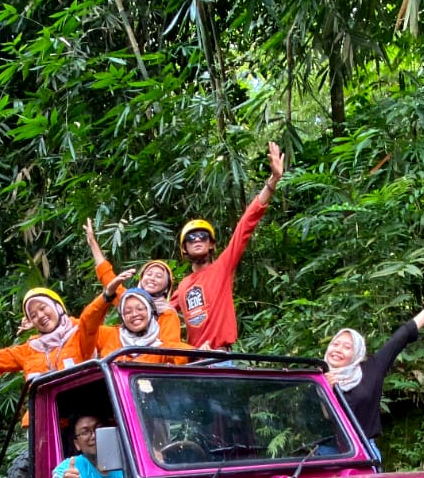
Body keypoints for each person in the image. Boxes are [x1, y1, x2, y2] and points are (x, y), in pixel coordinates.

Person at [173, 141, 286, 351]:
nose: (197, 240)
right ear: (184, 249)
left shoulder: (222, 268)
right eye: (191, 238)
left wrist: (273, 181)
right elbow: (154, 310)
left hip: (221, 357)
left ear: (212, 244)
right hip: (194, 361)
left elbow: (245, 226)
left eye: (202, 236)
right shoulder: (182, 287)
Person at [325, 289, 424, 441]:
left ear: (357, 353)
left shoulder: (370, 370)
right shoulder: (315, 376)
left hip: (363, 451)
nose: (338, 350)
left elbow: (399, 339)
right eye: (336, 344)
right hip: (327, 453)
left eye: (347, 347)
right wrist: (327, 391)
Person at [84, 219, 184, 345]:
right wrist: (93, 242)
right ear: (141, 279)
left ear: (166, 286)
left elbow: (171, 348)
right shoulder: (129, 300)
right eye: (149, 274)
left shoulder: (167, 313)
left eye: (159, 276)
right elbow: (108, 278)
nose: (152, 278)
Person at [78, 273, 192, 363]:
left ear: (150, 311)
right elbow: (86, 326)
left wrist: (200, 353)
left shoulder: (162, 346)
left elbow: (186, 354)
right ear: (122, 317)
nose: (134, 314)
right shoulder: (111, 335)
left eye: (140, 309)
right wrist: (106, 296)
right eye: (127, 311)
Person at [39, 413, 123, 478]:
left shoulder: (127, 460)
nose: (94, 435)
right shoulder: (71, 466)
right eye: (85, 432)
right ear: (77, 444)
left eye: (98, 428)